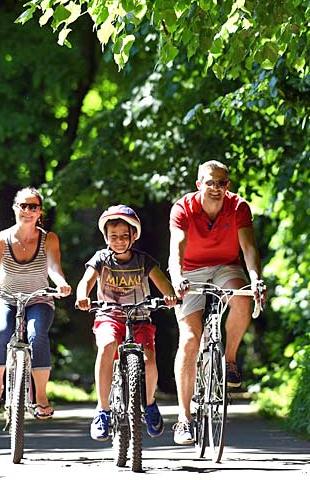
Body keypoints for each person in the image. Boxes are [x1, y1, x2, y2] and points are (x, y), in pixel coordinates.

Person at [167, 160, 266, 445]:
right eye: (210, 182)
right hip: (189, 271)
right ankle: (184, 419)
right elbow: (177, 248)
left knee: (242, 298)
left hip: (225, 267)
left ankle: (230, 360)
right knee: (189, 339)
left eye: (221, 183)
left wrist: (256, 278)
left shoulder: (238, 207)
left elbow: (248, 248)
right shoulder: (183, 208)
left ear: (228, 185)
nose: (215, 188)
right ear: (199, 184)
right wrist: (176, 277)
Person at [75, 205, 178, 441]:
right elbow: (86, 281)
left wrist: (170, 296)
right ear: (106, 238)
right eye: (113, 237)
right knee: (107, 346)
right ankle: (103, 410)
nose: (119, 241)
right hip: (109, 316)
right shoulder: (101, 258)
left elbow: (163, 284)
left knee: (149, 357)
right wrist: (83, 296)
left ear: (134, 235)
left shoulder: (143, 260)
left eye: (124, 236)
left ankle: (150, 404)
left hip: (140, 317)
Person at [0, 187, 72, 420]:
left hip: (39, 298)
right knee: (0, 333)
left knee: (37, 335)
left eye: (32, 206)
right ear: (15, 208)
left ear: (40, 212)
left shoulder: (49, 239)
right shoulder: (0, 239)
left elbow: (53, 267)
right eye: (22, 206)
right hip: (5, 297)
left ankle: (41, 396)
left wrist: (62, 283)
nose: (27, 210)